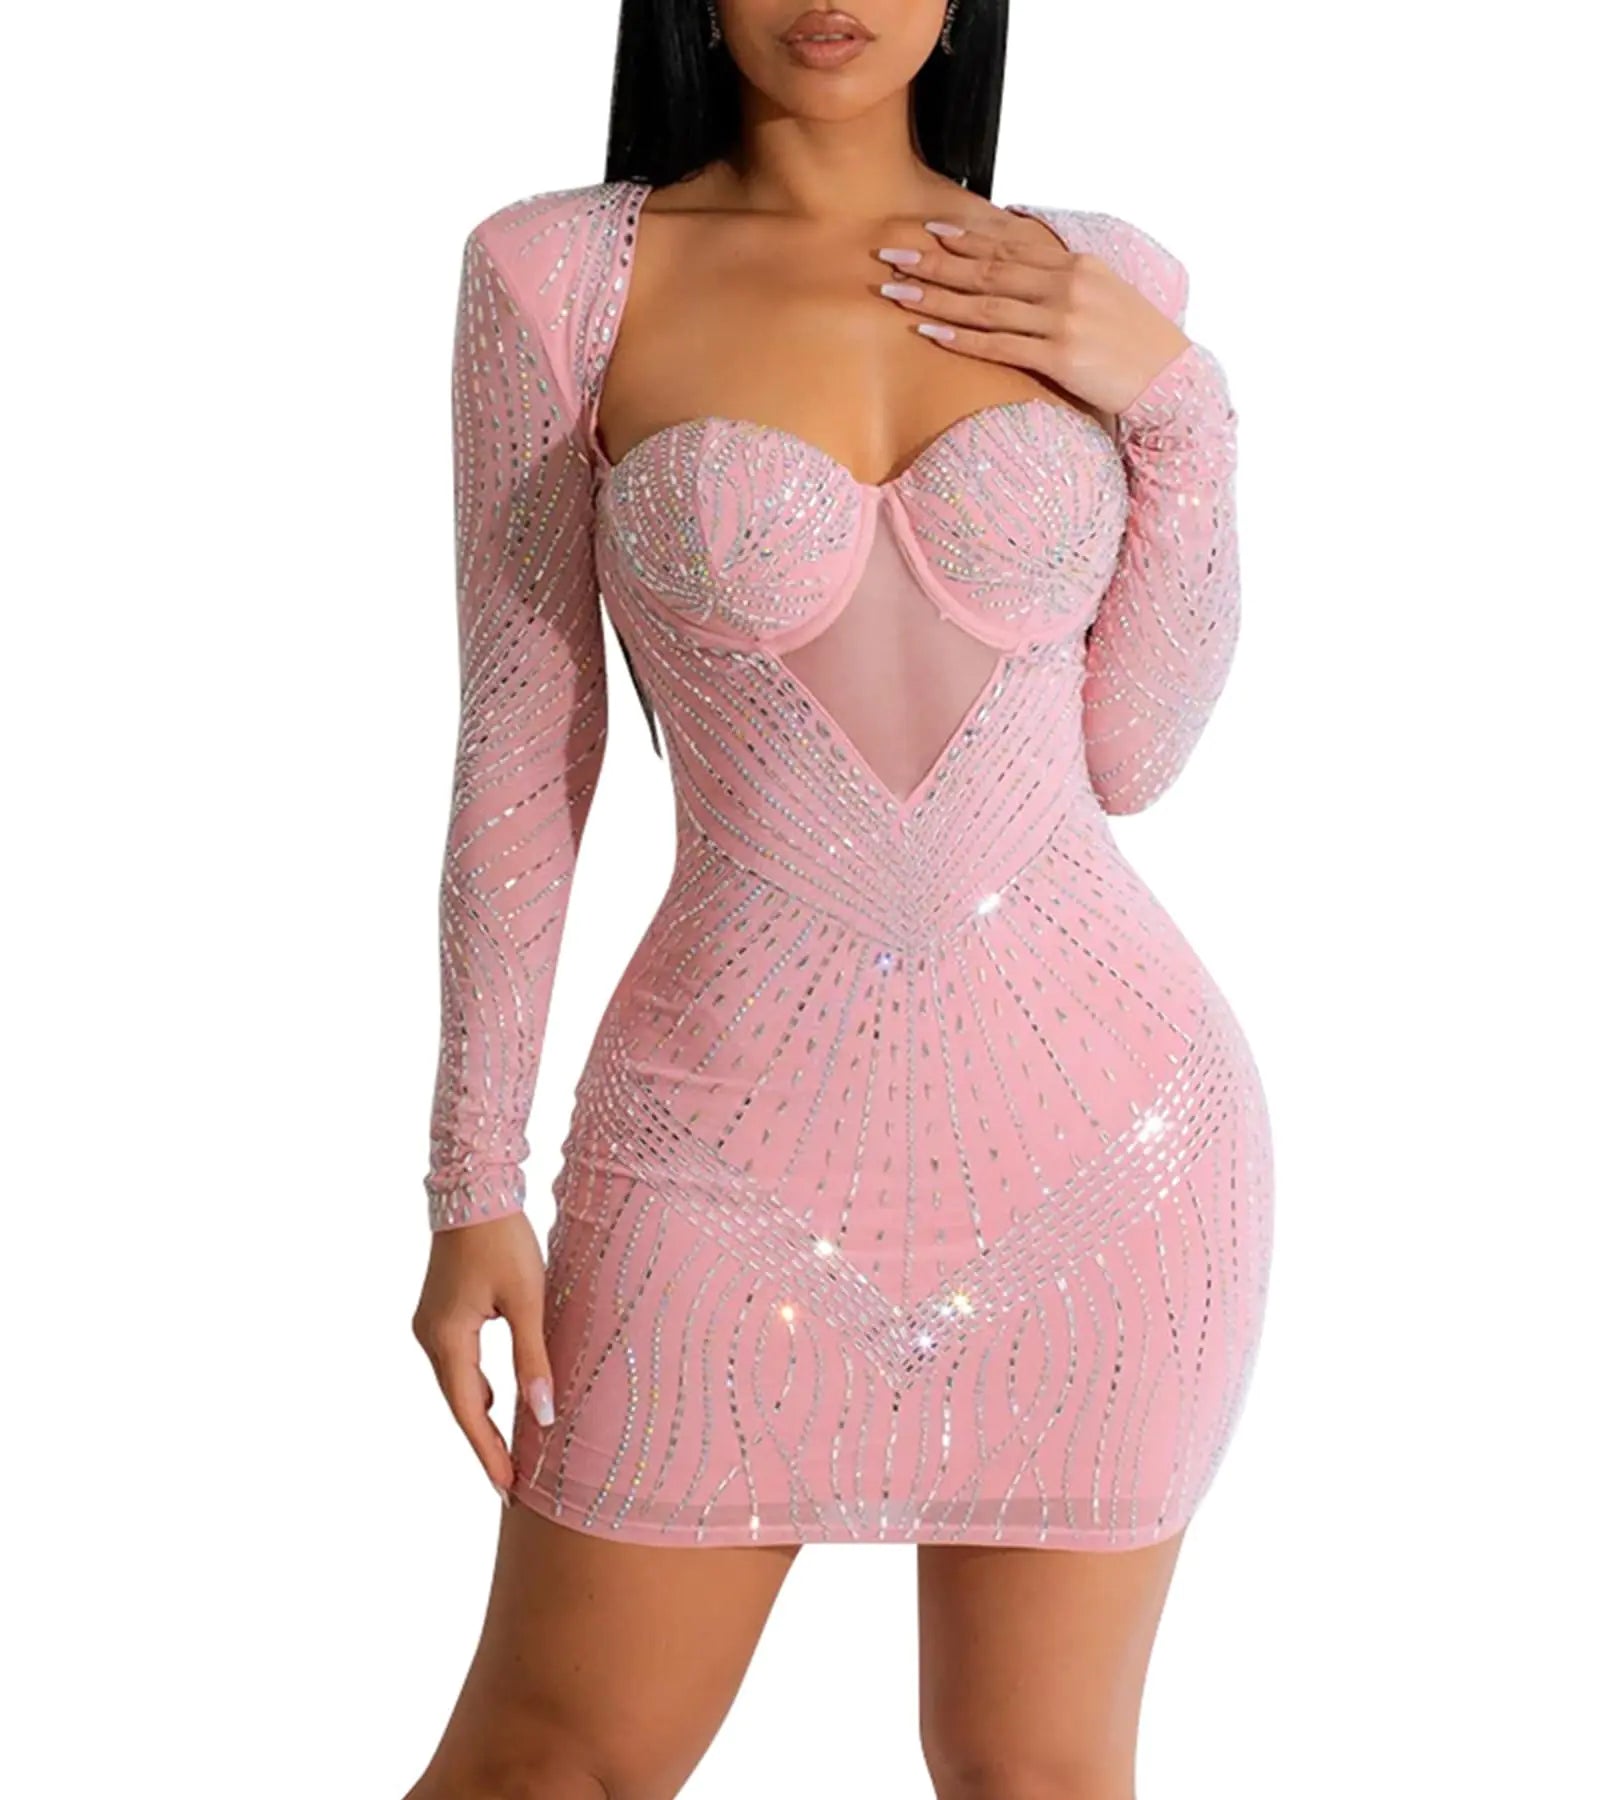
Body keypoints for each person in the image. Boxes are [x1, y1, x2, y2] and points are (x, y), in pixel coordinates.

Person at [405, 2, 1274, 1794]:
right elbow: (524, 740)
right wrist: (471, 1179)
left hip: (1113, 1156)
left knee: (1035, 1774)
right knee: (548, 1762)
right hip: (716, 1160)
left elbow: (1135, 753)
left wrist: (1183, 412)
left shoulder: (1099, 280)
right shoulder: (558, 278)